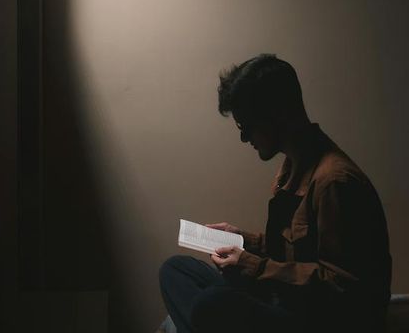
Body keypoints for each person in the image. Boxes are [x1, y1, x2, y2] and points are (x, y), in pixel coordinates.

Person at [158, 54, 392, 333]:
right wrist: (245, 241)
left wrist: (253, 267)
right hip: (289, 300)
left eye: (246, 126)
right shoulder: (295, 164)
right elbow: (298, 252)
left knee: (212, 304)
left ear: (277, 115)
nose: (244, 138)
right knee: (177, 270)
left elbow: (343, 287)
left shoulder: (334, 181)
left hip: (324, 320)